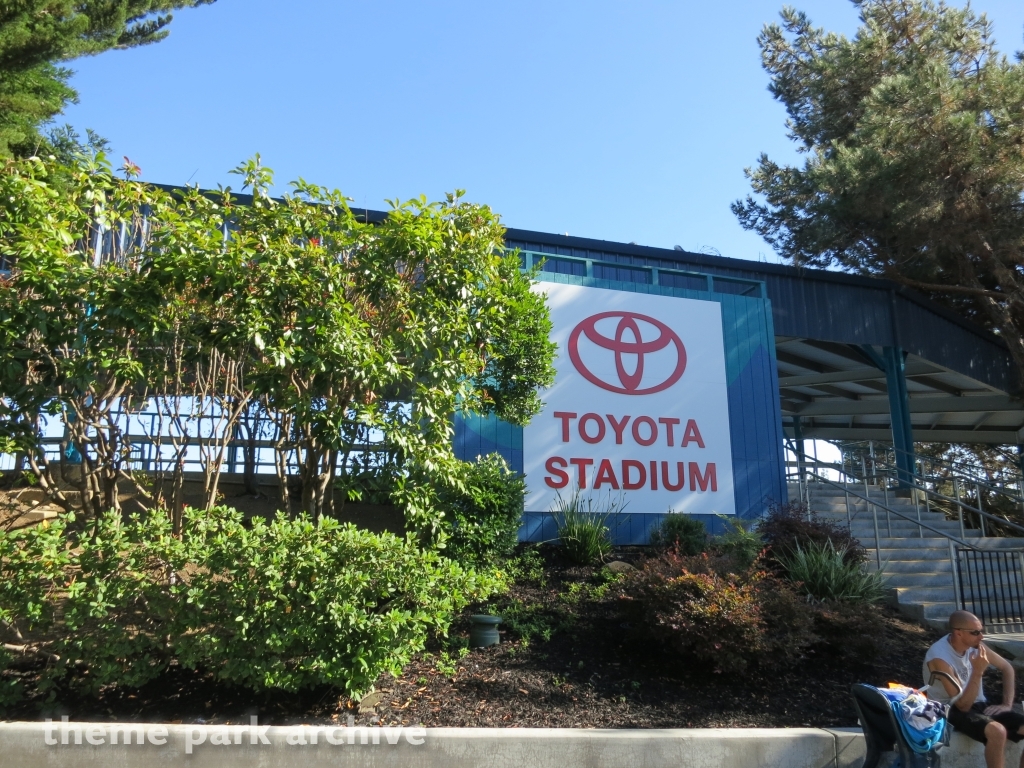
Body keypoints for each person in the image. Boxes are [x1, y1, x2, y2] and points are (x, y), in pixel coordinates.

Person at [924, 610, 1024, 768]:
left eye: (981, 631)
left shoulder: (975, 645)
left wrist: (1006, 704)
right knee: (997, 731)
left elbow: (1007, 668)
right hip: (948, 709)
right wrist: (977, 672)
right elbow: (962, 705)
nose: (981, 636)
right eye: (975, 632)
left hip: (977, 705)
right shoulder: (939, 657)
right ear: (958, 633)